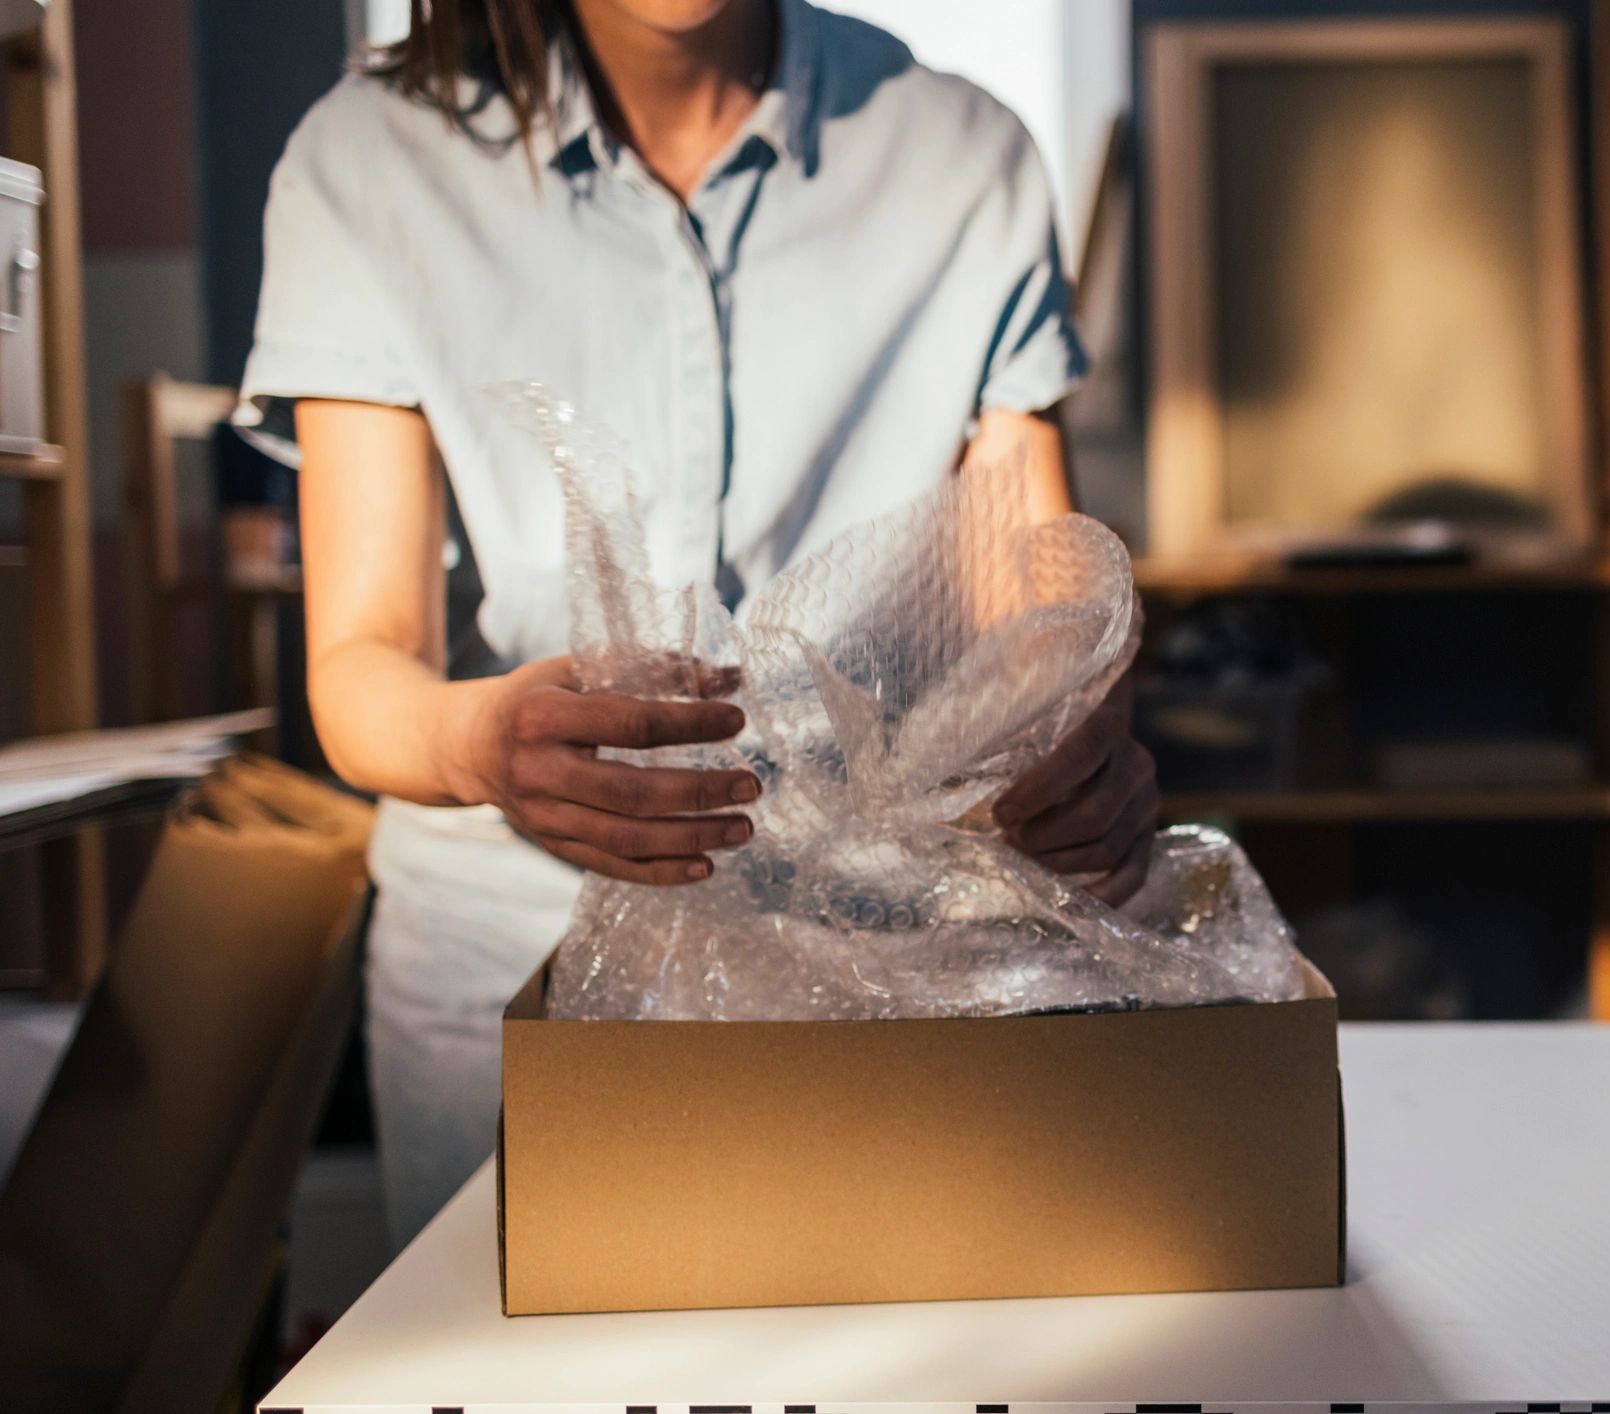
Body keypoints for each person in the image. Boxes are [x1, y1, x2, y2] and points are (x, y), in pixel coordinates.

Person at [236, 0, 1159, 1247]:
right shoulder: (366, 163)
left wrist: (1075, 739)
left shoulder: (962, 155)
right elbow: (358, 664)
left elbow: (1036, 610)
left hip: (881, 945)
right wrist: (478, 743)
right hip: (515, 954)